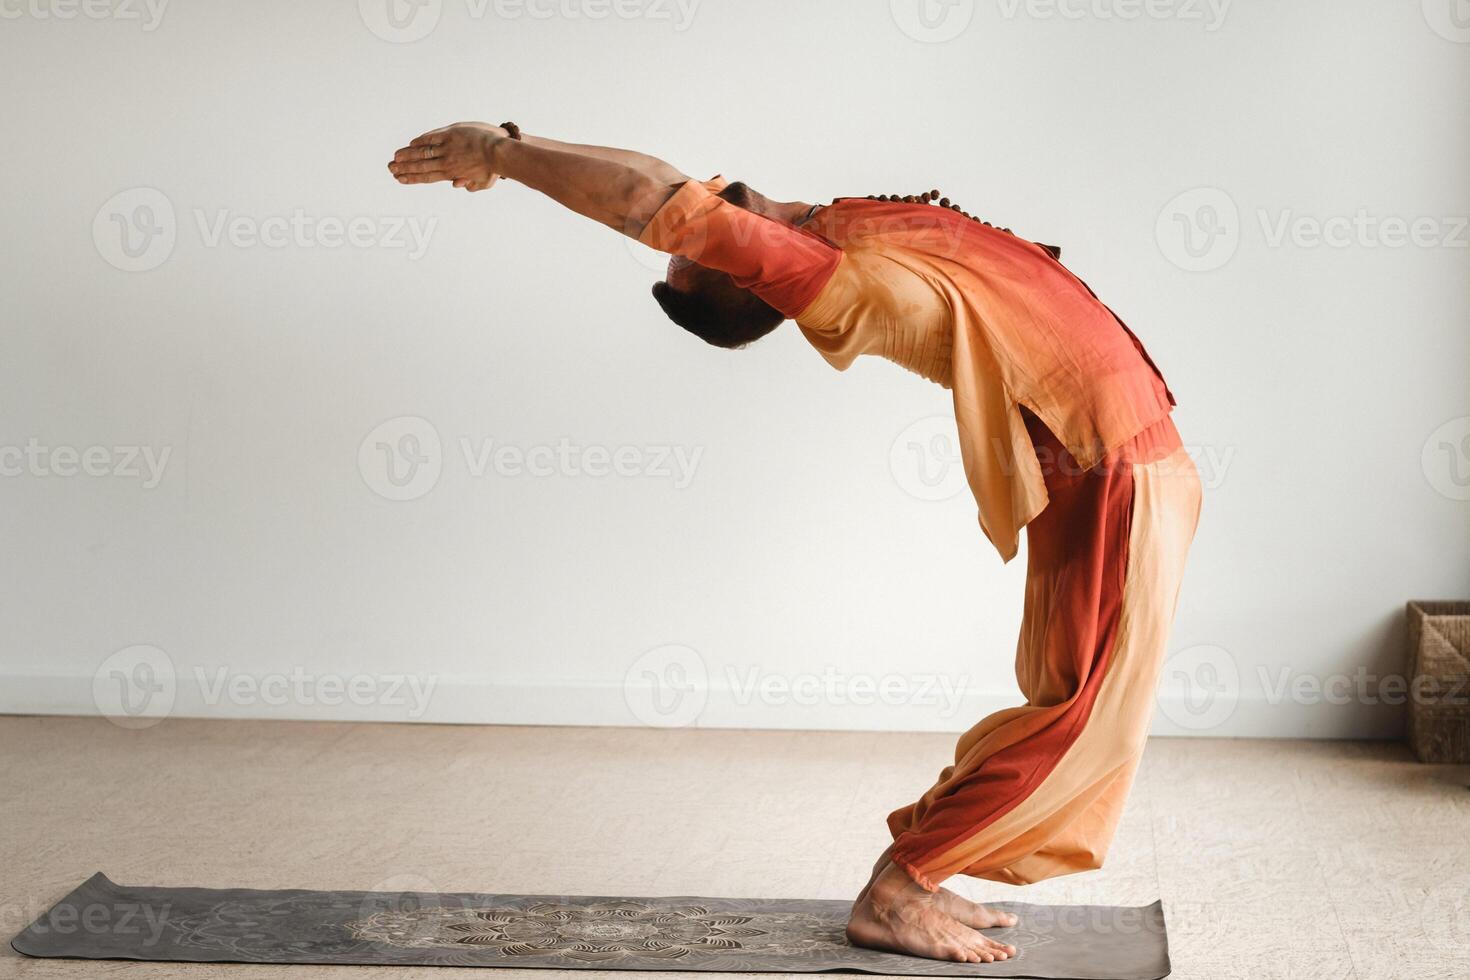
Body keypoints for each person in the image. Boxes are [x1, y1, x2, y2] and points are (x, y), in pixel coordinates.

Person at [388, 122, 1202, 965]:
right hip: (1113, 462)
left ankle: (926, 863)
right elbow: (642, 199)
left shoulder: (831, 223)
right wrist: (501, 157)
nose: (700, 206)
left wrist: (513, 138)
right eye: (697, 250)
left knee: (1069, 694)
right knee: (1087, 718)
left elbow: (660, 182)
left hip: (1123, 451)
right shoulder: (823, 275)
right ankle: (898, 890)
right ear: (751, 283)